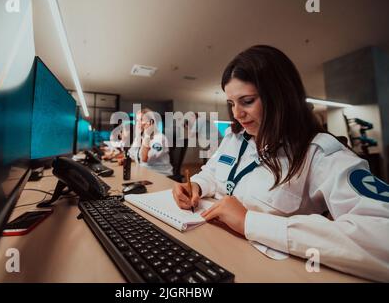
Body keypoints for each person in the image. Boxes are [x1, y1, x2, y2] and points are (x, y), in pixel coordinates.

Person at [172, 45, 389, 282]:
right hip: (214, 251)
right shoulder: (235, 138)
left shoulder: (319, 152)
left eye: (246, 101)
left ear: (280, 96)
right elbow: (213, 172)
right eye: (231, 103)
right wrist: (197, 186)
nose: (236, 114)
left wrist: (250, 222)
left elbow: (382, 235)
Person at [129, 108, 173, 176]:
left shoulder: (160, 138)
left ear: (151, 122)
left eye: (141, 120)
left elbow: (145, 159)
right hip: (144, 172)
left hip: (159, 175)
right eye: (137, 120)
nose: (138, 123)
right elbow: (131, 155)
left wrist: (147, 136)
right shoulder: (140, 137)